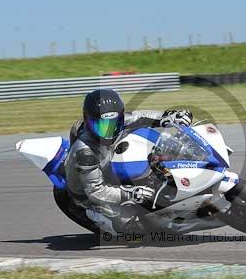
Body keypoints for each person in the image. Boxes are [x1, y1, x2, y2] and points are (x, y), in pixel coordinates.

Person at [63, 88, 193, 233]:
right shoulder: (85, 152)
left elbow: (140, 116)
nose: (108, 132)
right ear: (89, 122)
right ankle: (95, 215)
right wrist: (130, 193)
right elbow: (96, 191)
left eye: (113, 125)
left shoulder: (117, 120)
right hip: (87, 195)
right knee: (130, 227)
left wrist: (168, 116)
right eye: (102, 127)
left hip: (108, 168)